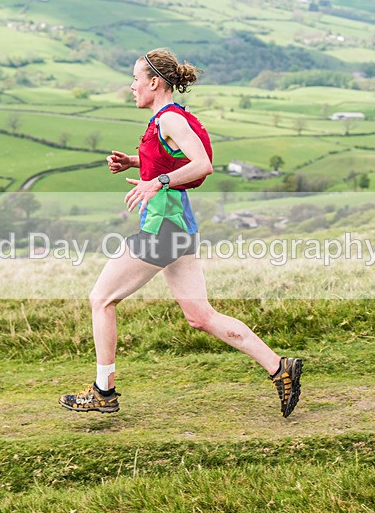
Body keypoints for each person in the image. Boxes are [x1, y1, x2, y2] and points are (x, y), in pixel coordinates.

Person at [58, 49, 302, 418]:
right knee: (200, 317)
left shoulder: (170, 119)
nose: (132, 86)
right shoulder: (167, 120)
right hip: (178, 227)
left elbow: (203, 164)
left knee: (101, 299)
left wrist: (157, 181)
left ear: (155, 82)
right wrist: (136, 163)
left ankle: (103, 391)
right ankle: (279, 368)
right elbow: (173, 159)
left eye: (136, 79)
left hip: (163, 229)